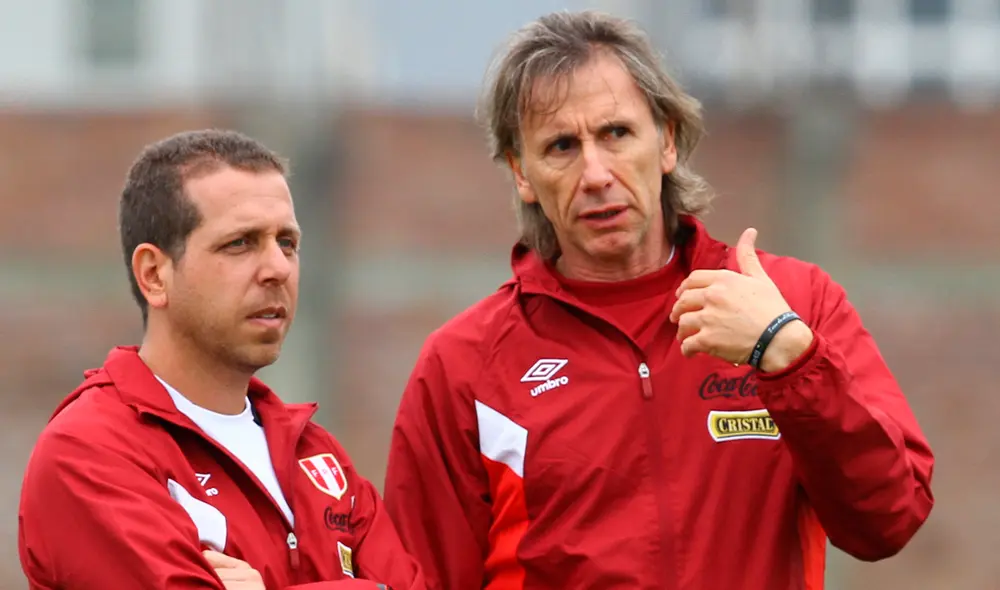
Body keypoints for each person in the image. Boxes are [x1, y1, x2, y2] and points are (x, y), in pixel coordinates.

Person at [382, 10, 935, 590]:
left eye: (616, 134)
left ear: (667, 140)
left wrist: (789, 357)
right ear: (523, 174)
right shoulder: (464, 365)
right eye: (562, 146)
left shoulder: (793, 304)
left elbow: (888, 520)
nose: (595, 174)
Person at [18, 129, 425, 590]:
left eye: (287, 243)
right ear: (154, 275)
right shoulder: (89, 451)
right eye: (240, 243)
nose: (278, 268)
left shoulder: (316, 452)